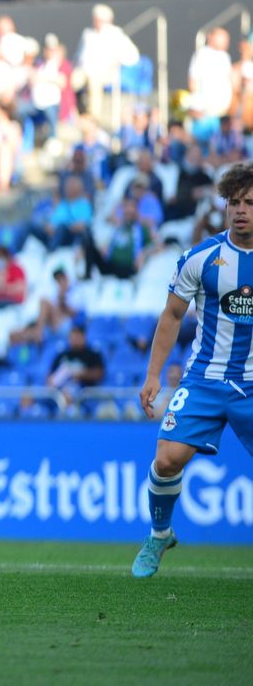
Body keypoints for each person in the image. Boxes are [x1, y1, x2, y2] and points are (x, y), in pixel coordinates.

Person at [134, 163, 253, 576]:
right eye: (234, 203)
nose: (240, 211)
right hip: (203, 378)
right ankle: (160, 533)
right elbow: (170, 315)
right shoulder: (201, 257)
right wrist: (153, 375)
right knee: (166, 459)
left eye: (250, 203)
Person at [47, 323, 105, 400]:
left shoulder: (92, 353)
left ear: (84, 337)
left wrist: (80, 374)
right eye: (73, 335)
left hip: (84, 392)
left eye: (78, 335)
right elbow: (50, 376)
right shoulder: (63, 353)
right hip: (61, 389)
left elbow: (99, 374)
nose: (75, 339)